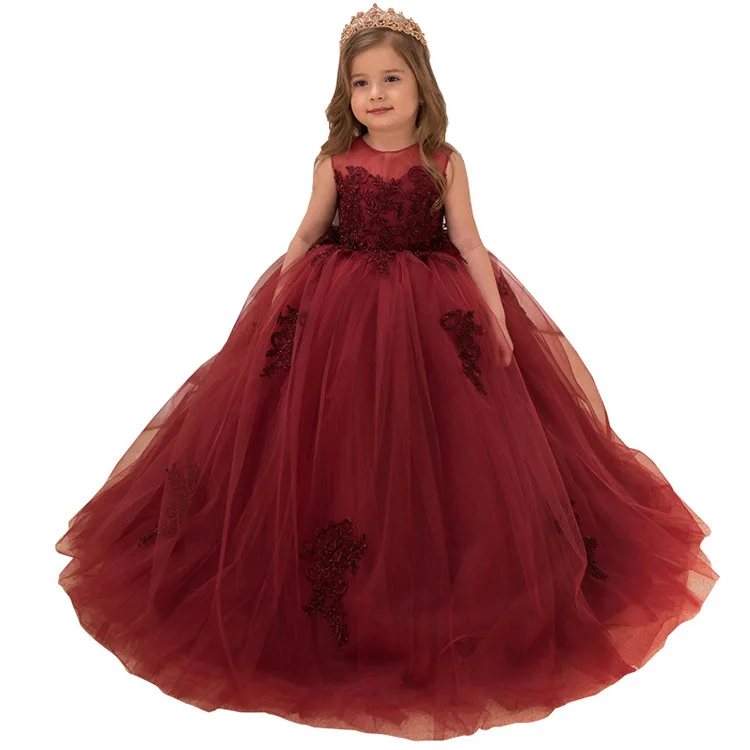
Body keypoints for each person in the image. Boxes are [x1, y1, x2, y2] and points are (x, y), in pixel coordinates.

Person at [55, 3, 719, 741]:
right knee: (333, 435)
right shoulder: (335, 162)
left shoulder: (444, 162)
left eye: (391, 79)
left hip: (434, 315)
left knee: (447, 443)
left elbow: (469, 243)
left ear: (421, 86)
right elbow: (308, 232)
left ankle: (447, 580)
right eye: (361, 82)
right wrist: (276, 300)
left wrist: (497, 316)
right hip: (337, 314)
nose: (376, 94)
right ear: (346, 93)